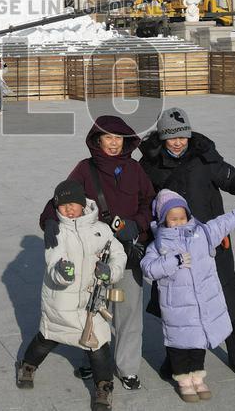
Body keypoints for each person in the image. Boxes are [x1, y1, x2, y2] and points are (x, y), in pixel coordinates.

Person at [138, 108, 235, 378]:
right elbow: (142, 200)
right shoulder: (149, 165)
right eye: (171, 137)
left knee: (225, 294)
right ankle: (176, 358)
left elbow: (231, 177)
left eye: (183, 136)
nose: (178, 142)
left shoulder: (205, 157)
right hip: (171, 246)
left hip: (210, 241)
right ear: (162, 138)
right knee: (174, 306)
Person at [39, 116, 154, 391]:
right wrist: (49, 219)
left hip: (127, 252)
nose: (113, 143)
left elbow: (149, 202)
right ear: (97, 140)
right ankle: (93, 358)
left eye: (118, 138)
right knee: (92, 309)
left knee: (128, 314)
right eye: (108, 137)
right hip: (92, 255)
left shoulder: (135, 169)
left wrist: (137, 224)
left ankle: (127, 368)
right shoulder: (84, 169)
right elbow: (62, 198)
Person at [17, 180, 126, 410]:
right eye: (63, 205)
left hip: (91, 301)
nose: (68, 209)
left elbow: (118, 254)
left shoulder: (101, 229)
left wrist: (110, 272)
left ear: (83, 204)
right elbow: (53, 262)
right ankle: (27, 365)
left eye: (73, 204)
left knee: (99, 347)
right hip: (62, 302)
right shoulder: (57, 231)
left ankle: (104, 387)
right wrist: (62, 273)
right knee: (47, 338)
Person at [141, 189, 235, 402]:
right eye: (173, 219)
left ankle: (197, 377)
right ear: (164, 219)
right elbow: (148, 268)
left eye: (182, 217)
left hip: (201, 303)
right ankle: (184, 381)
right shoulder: (160, 244)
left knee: (198, 344)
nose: (178, 222)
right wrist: (173, 261)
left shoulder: (201, 232)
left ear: (188, 215)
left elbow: (223, 223)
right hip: (177, 309)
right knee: (178, 346)